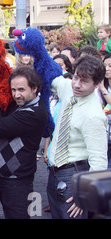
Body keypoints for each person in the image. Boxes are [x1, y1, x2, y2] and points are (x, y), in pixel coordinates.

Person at [47, 55, 108, 219]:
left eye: (84, 81)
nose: (77, 85)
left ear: (96, 84)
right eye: (76, 78)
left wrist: (85, 195)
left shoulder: (94, 116)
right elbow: (50, 76)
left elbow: (99, 161)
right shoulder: (69, 88)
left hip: (74, 175)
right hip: (54, 173)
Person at [0, 66, 48, 219]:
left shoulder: (34, 113)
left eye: (21, 89)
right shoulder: (21, 104)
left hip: (17, 181)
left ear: (34, 88)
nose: (16, 95)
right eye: (13, 90)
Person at [99, 53, 111, 168]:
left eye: (110, 66)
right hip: (102, 136)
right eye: (105, 65)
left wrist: (103, 89)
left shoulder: (102, 88)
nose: (107, 69)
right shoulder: (99, 86)